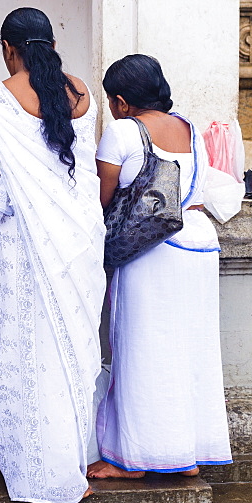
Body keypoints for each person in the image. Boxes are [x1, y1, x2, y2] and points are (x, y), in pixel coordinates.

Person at [0, 7, 105, 503]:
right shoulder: (83, 93)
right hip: (78, 236)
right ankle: (74, 462)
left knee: (26, 348)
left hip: (21, 237)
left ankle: (36, 470)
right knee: (72, 345)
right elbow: (82, 159)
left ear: (9, 48)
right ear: (51, 42)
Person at [88, 54, 232, 479]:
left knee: (142, 352)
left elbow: (102, 199)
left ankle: (135, 462)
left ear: (120, 101)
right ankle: (184, 456)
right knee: (192, 352)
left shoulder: (123, 131)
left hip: (151, 250)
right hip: (199, 244)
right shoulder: (191, 129)